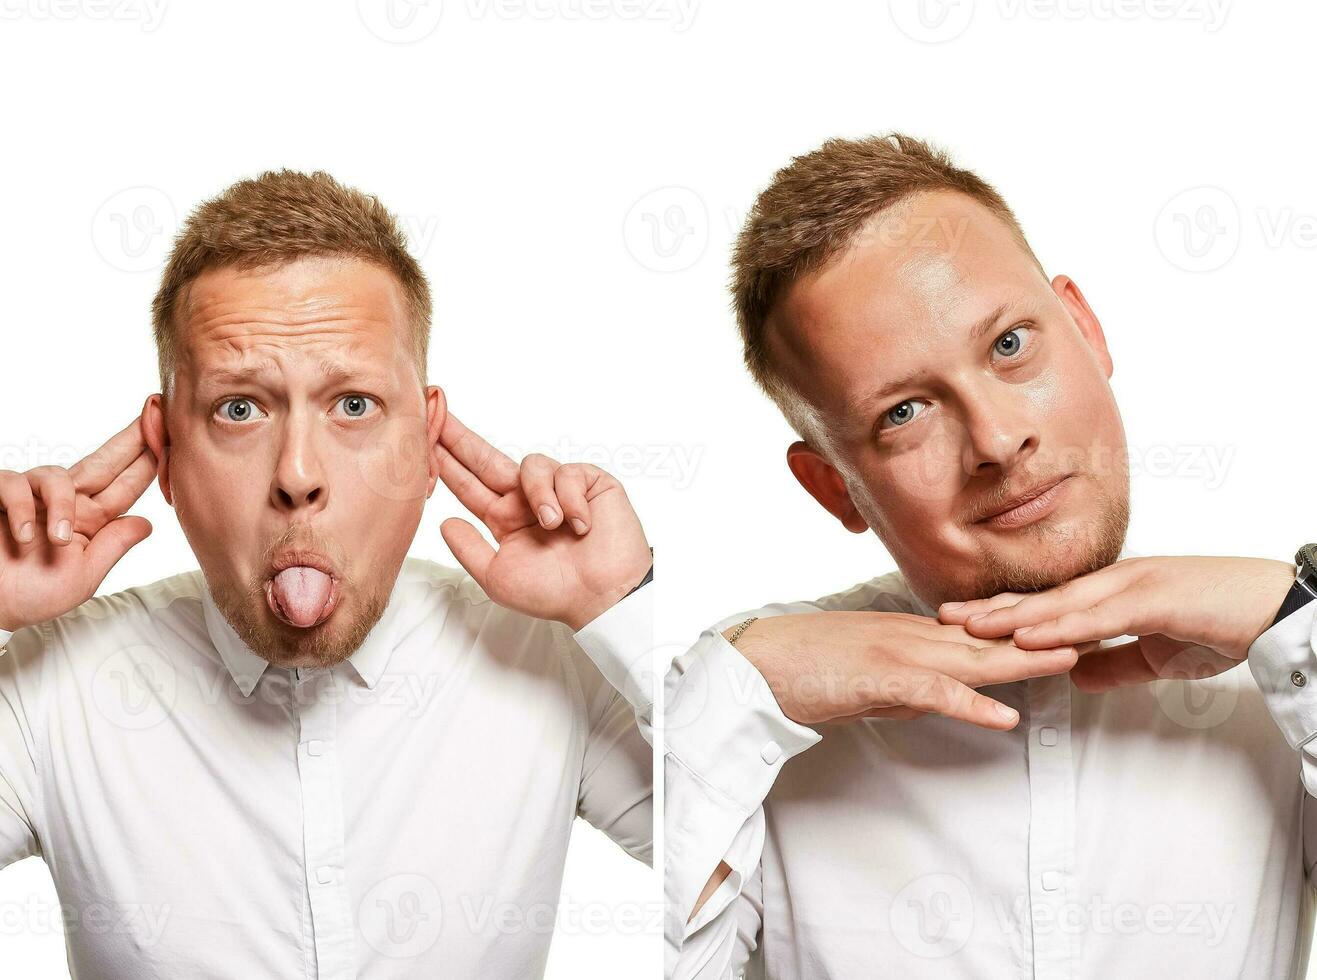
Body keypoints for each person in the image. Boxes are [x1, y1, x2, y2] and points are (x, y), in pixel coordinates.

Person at [663, 134, 1315, 979]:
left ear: (1084, 328)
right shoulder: (747, 723)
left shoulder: (1278, 673)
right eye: (902, 411)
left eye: (1009, 344)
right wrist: (729, 698)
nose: (1000, 441)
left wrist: (1302, 620)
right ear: (832, 487)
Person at [0, 170, 655, 978]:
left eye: (352, 405)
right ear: (165, 453)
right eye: (240, 408)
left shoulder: (552, 657)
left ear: (426, 442)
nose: (298, 474)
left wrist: (621, 612)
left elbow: (762, 864)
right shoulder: (53, 685)